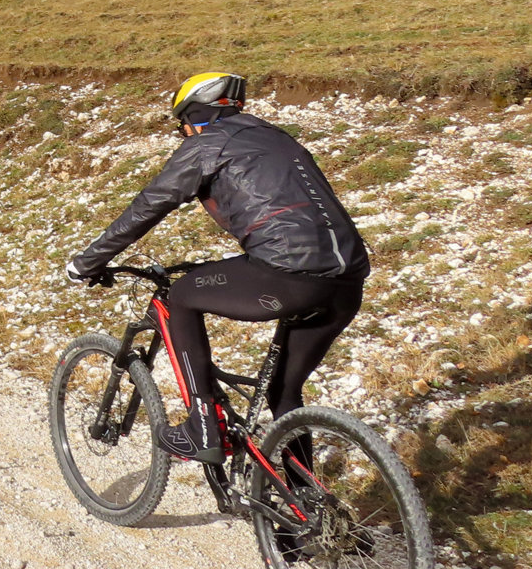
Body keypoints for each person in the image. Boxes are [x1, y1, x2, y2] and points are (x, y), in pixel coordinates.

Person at [64, 72, 370, 463]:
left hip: (287, 274)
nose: (184, 134)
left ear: (193, 118)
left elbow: (149, 206)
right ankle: (301, 515)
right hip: (347, 281)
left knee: (182, 295)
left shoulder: (207, 144)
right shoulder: (279, 138)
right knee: (283, 393)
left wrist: (87, 262)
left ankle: (202, 427)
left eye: (183, 127)